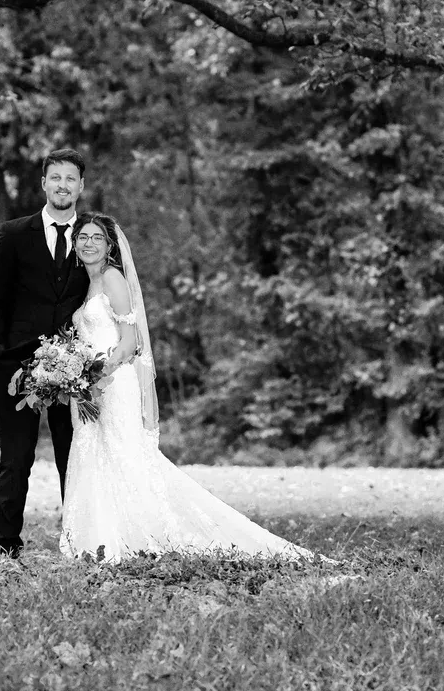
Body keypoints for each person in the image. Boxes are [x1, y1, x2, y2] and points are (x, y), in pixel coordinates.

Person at [59, 212, 312, 562]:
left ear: (109, 246)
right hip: (90, 387)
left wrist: (99, 376)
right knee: (94, 457)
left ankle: (142, 536)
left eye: (97, 238)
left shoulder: (113, 278)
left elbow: (130, 342)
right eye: (83, 237)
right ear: (75, 244)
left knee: (126, 457)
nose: (89, 243)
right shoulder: (88, 283)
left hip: (114, 384)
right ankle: (98, 542)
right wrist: (78, 377)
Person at [0, 148, 91, 558]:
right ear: (43, 183)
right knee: (16, 458)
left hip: (75, 368)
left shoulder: (94, 236)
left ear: (81, 186)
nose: (63, 185)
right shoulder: (13, 234)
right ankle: (6, 544)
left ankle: (78, 539)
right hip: (17, 364)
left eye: (71, 179)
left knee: (73, 457)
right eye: (55, 177)